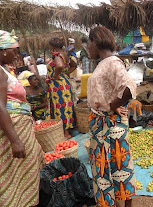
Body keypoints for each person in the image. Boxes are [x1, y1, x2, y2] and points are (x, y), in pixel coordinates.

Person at [86, 26, 138, 207]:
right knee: (109, 168)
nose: (88, 49)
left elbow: (128, 89)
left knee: (120, 167)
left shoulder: (112, 62)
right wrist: (112, 105)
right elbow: (110, 90)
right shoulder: (104, 63)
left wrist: (111, 106)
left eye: (88, 44)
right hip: (102, 125)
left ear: (95, 41)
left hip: (109, 125)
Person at [0, 30, 44, 207]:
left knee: (21, 177)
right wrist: (16, 140)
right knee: (16, 179)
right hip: (12, 133)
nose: (16, 54)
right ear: (2, 50)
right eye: (14, 50)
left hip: (18, 128)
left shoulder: (4, 70)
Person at [44, 37, 76, 138]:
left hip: (57, 85)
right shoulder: (65, 54)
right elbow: (74, 65)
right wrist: (65, 74)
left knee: (60, 106)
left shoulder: (57, 54)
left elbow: (59, 66)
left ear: (52, 46)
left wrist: (55, 75)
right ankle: (68, 129)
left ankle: (64, 133)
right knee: (66, 106)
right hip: (64, 82)